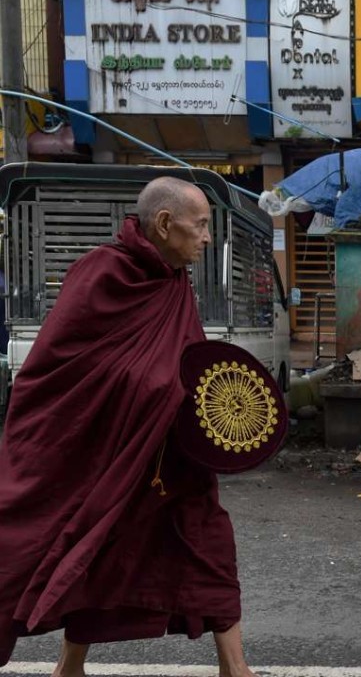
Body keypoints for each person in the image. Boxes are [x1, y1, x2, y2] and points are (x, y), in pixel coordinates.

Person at [0, 177, 256, 677]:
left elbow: (186, 361)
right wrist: (160, 391)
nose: (208, 238)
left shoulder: (173, 279)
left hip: (169, 456)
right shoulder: (101, 273)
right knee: (90, 547)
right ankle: (68, 667)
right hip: (103, 453)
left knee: (207, 542)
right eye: (201, 226)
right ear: (164, 224)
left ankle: (235, 666)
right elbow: (56, 372)